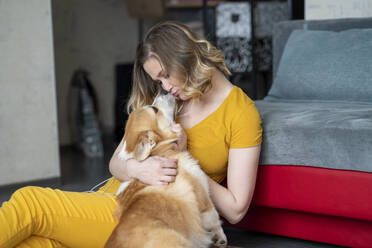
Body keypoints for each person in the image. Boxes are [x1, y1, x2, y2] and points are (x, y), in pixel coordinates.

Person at [0, 21, 262, 248]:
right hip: (110, 199)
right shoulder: (167, 99)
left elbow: (236, 209)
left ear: (187, 57)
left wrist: (183, 156)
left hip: (144, 216)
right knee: (33, 242)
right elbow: (116, 163)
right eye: (158, 80)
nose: (166, 86)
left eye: (166, 75)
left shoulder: (241, 113)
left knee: (31, 203)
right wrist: (137, 169)